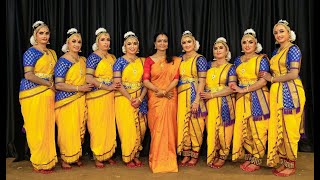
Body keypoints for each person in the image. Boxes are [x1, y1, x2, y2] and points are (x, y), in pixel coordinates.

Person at [259, 20, 306, 177]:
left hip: (290, 92)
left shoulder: (293, 50)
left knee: (289, 129)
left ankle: (291, 164)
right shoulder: (276, 52)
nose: (278, 35)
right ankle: (283, 161)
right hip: (277, 92)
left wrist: (271, 79)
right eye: (276, 32)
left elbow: (293, 74)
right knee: (279, 126)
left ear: (289, 34)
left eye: (281, 31)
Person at [19, 20, 58, 174]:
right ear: (35, 36)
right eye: (41, 33)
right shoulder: (30, 52)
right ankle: (38, 161)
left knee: (47, 127)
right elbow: (28, 75)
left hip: (48, 95)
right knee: (36, 128)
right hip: (32, 94)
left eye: (47, 33)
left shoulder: (52, 53)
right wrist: (48, 84)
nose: (44, 36)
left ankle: (48, 160)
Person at [231, 28, 270, 172]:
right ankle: (249, 156)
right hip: (241, 98)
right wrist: (233, 84)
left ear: (256, 44)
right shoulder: (237, 60)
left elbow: (263, 81)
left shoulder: (262, 59)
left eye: (250, 42)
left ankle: (257, 159)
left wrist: (244, 89)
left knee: (258, 128)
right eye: (244, 42)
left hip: (258, 96)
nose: (247, 45)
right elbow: (234, 80)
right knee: (245, 128)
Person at [54, 28, 94, 169]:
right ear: (67, 43)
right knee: (67, 129)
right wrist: (79, 88)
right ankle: (66, 157)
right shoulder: (63, 61)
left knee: (79, 128)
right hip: (66, 101)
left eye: (79, 42)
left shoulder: (83, 60)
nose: (77, 44)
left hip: (81, 99)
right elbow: (58, 84)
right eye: (74, 42)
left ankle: (75, 155)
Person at [143, 32, 180, 173]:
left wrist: (165, 91)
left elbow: (176, 79)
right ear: (155, 43)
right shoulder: (149, 60)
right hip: (155, 97)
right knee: (157, 130)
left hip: (170, 97)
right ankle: (157, 161)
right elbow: (146, 80)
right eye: (159, 41)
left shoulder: (174, 60)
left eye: (165, 41)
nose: (162, 43)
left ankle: (170, 161)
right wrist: (159, 90)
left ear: (168, 43)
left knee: (170, 129)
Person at [85, 28, 121, 168]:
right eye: (102, 40)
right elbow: (88, 78)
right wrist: (106, 87)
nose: (106, 42)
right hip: (97, 96)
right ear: (97, 42)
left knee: (109, 125)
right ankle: (98, 155)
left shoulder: (112, 58)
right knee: (97, 125)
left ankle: (108, 154)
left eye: (107, 40)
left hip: (110, 96)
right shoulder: (93, 57)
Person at [200, 37, 237, 169]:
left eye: (221, 48)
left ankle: (223, 155)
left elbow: (231, 87)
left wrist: (212, 94)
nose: (218, 50)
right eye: (215, 48)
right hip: (209, 103)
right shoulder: (208, 65)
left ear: (227, 51)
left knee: (224, 130)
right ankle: (213, 153)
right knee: (211, 129)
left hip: (224, 101)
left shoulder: (231, 67)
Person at [113, 31, 148, 168]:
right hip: (123, 98)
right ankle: (128, 156)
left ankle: (136, 154)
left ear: (138, 46)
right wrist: (130, 98)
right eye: (129, 44)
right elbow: (118, 83)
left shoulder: (143, 61)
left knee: (141, 128)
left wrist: (140, 98)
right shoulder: (119, 62)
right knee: (127, 128)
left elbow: (146, 82)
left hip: (141, 97)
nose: (132, 46)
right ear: (124, 46)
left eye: (135, 44)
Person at [177, 30, 207, 167]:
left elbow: (202, 80)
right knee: (184, 124)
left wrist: (197, 100)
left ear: (194, 43)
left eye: (189, 41)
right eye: (184, 42)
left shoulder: (200, 59)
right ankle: (186, 152)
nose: (187, 44)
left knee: (196, 125)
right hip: (181, 94)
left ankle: (195, 154)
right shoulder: (180, 58)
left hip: (195, 93)